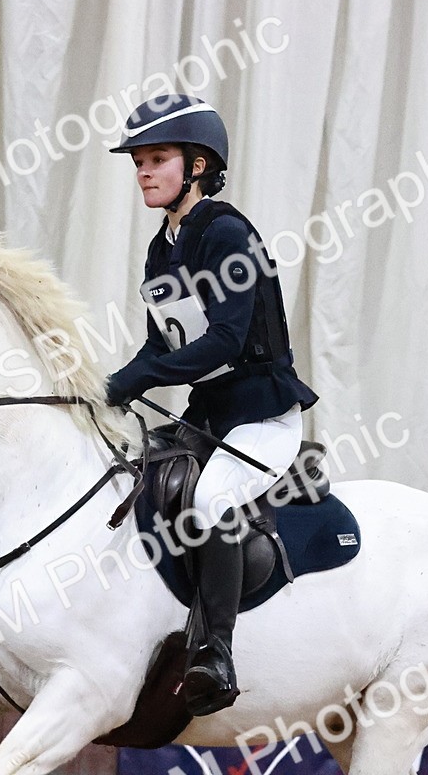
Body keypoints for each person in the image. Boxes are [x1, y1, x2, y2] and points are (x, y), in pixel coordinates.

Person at [105, 94, 319, 717]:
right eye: (138, 161)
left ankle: (216, 654)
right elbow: (162, 342)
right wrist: (113, 384)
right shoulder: (162, 246)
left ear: (196, 166)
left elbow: (224, 339)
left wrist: (132, 379)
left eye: (157, 159)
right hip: (208, 413)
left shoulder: (227, 234)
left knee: (211, 500)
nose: (143, 171)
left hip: (261, 412)